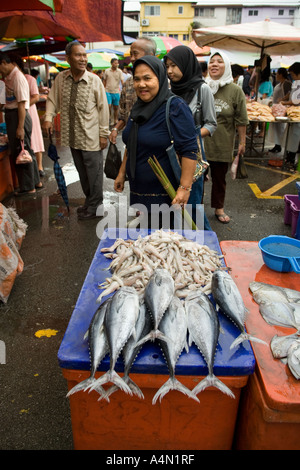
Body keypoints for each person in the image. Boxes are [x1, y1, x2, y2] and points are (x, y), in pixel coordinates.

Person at [117, 56, 199, 228]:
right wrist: (122, 172)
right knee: (148, 237)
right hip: (140, 190)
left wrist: (184, 188)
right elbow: (132, 143)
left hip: (165, 194)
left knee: (163, 243)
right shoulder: (138, 108)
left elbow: (190, 149)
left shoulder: (175, 107)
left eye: (147, 78)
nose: (141, 84)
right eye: (137, 79)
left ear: (160, 78)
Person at [42, 41, 110, 220]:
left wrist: (104, 134)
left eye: (84, 55)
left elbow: (104, 108)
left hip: (91, 136)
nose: (82, 59)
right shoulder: (61, 79)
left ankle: (96, 207)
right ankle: (90, 202)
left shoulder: (94, 80)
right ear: (68, 58)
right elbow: (52, 100)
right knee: (83, 172)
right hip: (72, 136)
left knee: (94, 174)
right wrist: (48, 117)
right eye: (78, 55)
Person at [164, 45, 217, 230]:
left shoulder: (203, 90)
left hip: (192, 155)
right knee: (174, 204)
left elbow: (211, 124)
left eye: (174, 66)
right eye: (167, 66)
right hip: (171, 156)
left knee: (192, 206)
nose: (169, 71)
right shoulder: (168, 90)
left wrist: (188, 136)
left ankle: (204, 245)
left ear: (186, 65)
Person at [204, 51, 248, 224]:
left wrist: (242, 142)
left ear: (227, 66)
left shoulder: (235, 91)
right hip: (201, 144)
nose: (214, 64)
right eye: (211, 61)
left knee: (219, 179)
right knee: (196, 179)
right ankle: (195, 207)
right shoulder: (202, 87)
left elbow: (241, 119)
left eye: (219, 62)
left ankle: (218, 208)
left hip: (222, 143)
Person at [0, 52, 41, 196]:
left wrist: (20, 126)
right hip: (14, 116)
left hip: (20, 116)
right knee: (26, 150)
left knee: (21, 151)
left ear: (4, 63)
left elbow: (23, 104)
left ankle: (28, 187)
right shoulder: (7, 78)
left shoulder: (17, 77)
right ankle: (35, 182)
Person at [109, 37, 157, 145]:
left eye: (135, 54)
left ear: (151, 55)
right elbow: (124, 115)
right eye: (131, 54)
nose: (132, 58)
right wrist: (116, 129)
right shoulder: (128, 83)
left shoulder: (163, 84)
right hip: (132, 144)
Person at [12, 55, 45, 177]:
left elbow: (36, 97)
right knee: (24, 142)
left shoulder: (29, 79)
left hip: (29, 111)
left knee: (35, 139)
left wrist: (23, 106)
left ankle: (39, 167)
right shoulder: (6, 80)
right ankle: (30, 169)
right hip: (17, 112)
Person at [267, 67, 292, 154]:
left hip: (282, 109)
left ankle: (280, 145)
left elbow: (289, 94)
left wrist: (283, 99)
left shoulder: (287, 83)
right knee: (276, 128)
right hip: (276, 107)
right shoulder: (279, 84)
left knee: (280, 128)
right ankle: (277, 145)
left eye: (277, 74)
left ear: (281, 74)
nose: (276, 75)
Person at [281, 62, 300, 168]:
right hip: (292, 113)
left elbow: (296, 100)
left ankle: (292, 158)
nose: (292, 76)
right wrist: (285, 98)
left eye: (293, 74)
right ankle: (289, 156)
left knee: (295, 137)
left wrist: (285, 103)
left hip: (298, 115)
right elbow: (291, 93)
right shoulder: (296, 82)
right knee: (290, 136)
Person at [103, 58, 123, 126]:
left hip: (116, 91)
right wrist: (103, 89)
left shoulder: (120, 71)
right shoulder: (107, 71)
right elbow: (104, 81)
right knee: (108, 106)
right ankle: (109, 119)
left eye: (117, 63)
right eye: (115, 63)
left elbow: (122, 81)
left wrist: (124, 89)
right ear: (111, 63)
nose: (116, 64)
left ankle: (115, 119)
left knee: (116, 107)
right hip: (108, 91)